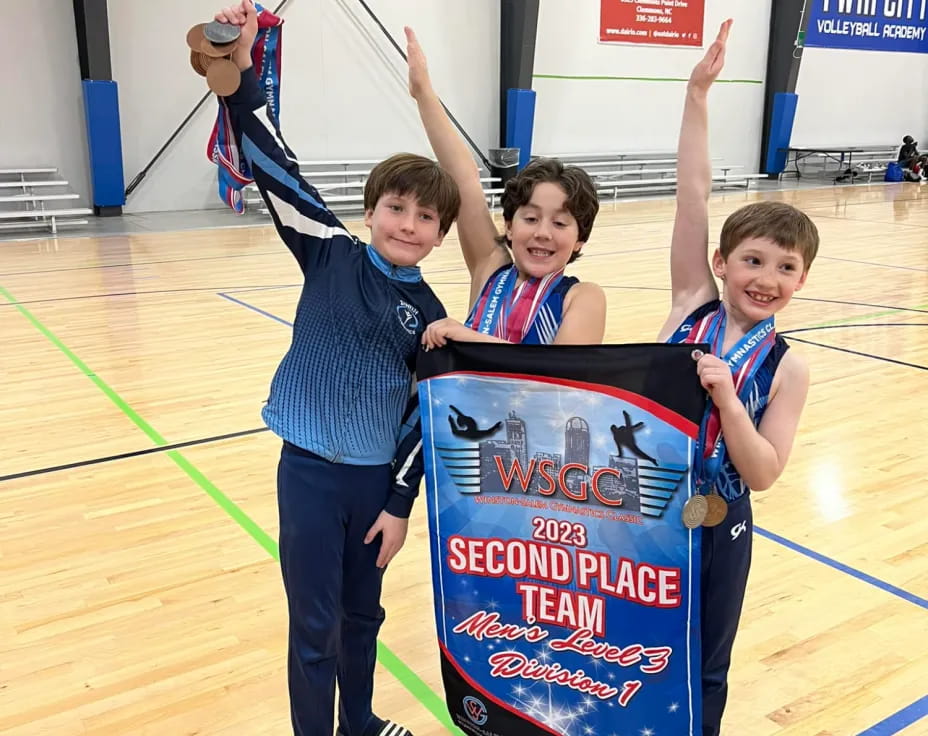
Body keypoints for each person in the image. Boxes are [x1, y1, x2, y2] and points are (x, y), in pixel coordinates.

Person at [212, 3, 461, 735]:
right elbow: (271, 161)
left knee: (362, 616)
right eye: (395, 207)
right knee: (315, 625)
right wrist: (241, 76)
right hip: (311, 477)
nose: (407, 224)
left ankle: (359, 723)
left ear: (441, 236)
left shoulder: (434, 315)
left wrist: (398, 505)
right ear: (370, 209)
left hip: (371, 486)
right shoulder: (326, 248)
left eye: (424, 218)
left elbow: (422, 421)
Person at [656, 20, 819, 735]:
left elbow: (762, 472)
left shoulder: (790, 369)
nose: (766, 278)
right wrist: (698, 94)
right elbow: (693, 195)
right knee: (632, 644)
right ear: (722, 264)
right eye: (753, 260)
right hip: (642, 504)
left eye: (785, 268)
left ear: (802, 280)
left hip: (722, 521)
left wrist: (728, 396)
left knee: (704, 664)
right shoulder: (691, 300)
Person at [405, 28, 607, 349]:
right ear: (509, 227)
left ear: (580, 239)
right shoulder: (491, 265)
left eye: (559, 222)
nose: (542, 232)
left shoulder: (583, 297)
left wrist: (471, 338)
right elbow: (464, 179)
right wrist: (424, 93)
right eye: (530, 218)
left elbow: (559, 376)